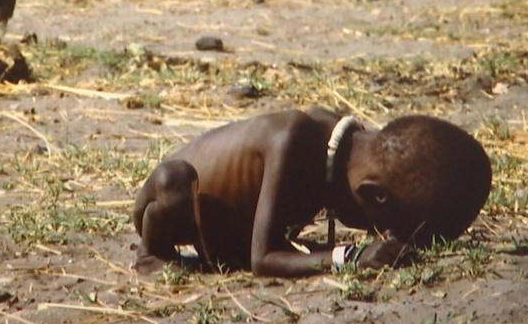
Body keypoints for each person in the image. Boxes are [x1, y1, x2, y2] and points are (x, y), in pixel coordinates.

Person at [132, 107, 491, 277]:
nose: (377, 235)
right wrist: (349, 256)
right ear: (373, 195)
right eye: (382, 227)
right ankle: (151, 253)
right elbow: (263, 259)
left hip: (227, 225)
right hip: (175, 201)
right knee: (174, 182)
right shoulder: (292, 141)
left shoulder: (342, 150)